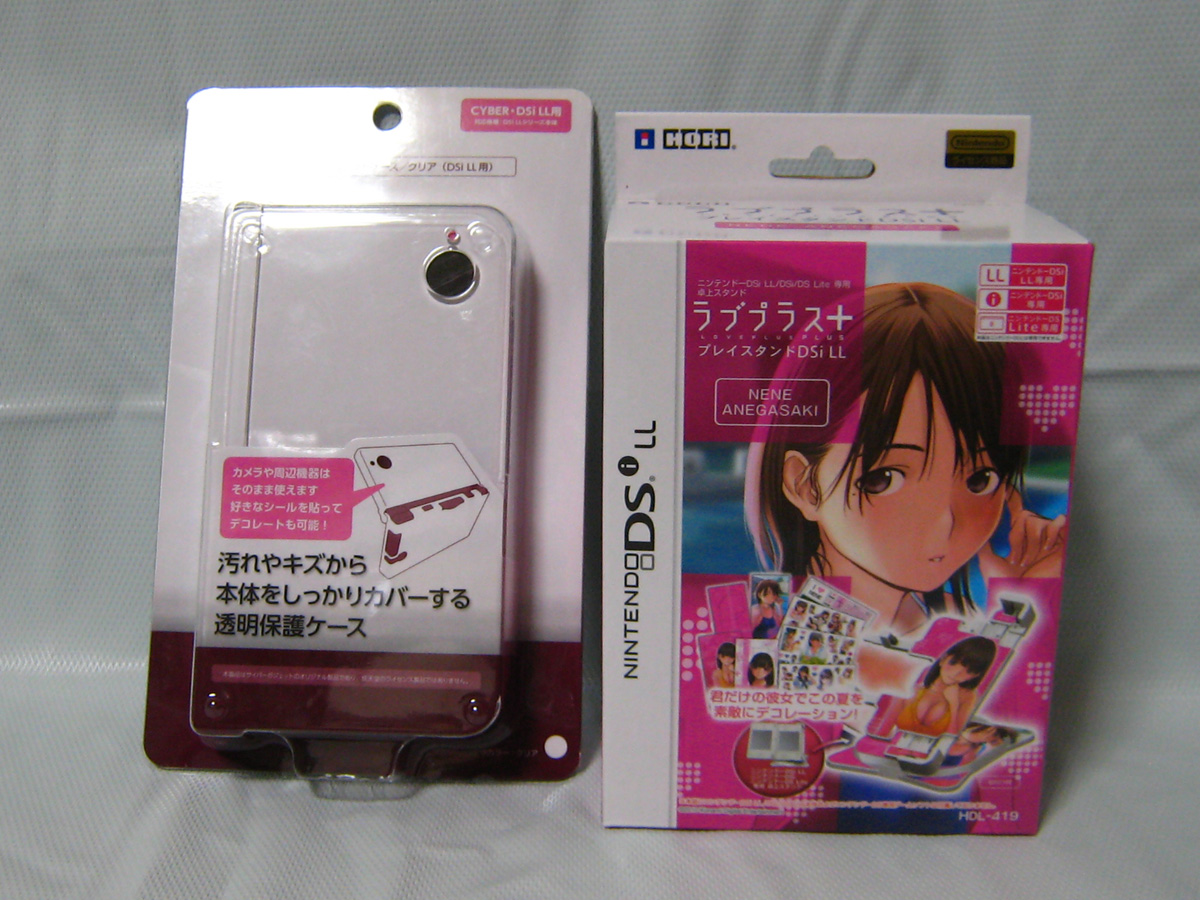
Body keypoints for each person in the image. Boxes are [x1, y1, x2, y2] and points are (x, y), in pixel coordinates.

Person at [745, 283, 1066, 637]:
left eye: (980, 480)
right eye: (884, 478)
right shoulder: (768, 630)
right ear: (805, 486)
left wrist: (1025, 599)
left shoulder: (955, 619)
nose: (945, 522)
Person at [894, 637, 996, 737]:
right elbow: (887, 727)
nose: (956, 673)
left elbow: (953, 737)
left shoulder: (967, 697)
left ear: (976, 675)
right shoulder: (914, 690)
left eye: (969, 671)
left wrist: (954, 704)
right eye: (953, 662)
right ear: (943, 659)